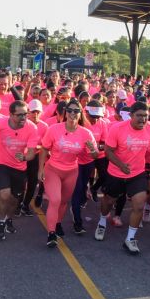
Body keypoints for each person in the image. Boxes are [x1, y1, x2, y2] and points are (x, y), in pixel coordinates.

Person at [94, 102, 150, 255]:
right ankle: (102, 222)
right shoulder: (117, 128)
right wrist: (121, 165)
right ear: (130, 115)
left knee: (138, 205)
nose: (142, 119)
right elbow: (109, 151)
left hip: (137, 174)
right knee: (108, 201)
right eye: (139, 116)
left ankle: (130, 239)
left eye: (145, 116)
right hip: (116, 173)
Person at [38, 100, 98, 247]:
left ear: (80, 114)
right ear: (65, 113)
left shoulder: (86, 133)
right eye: (69, 110)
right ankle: (51, 233)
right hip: (53, 169)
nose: (72, 113)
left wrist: (92, 150)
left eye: (76, 111)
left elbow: (95, 156)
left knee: (64, 202)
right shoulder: (54, 129)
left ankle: (58, 223)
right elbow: (45, 149)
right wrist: (40, 169)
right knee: (55, 200)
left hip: (71, 171)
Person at [0, 100, 40, 240]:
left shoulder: (32, 128)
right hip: (1, 164)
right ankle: (1, 223)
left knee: (14, 200)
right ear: (10, 114)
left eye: (25, 114)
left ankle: (8, 219)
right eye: (19, 115)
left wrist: (24, 157)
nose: (23, 118)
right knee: (4, 194)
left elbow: (31, 153)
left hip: (19, 166)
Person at [70, 100, 109, 234]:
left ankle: (89, 191)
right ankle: (78, 222)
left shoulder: (102, 124)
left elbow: (103, 144)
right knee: (77, 191)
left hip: (90, 160)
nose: (95, 119)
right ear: (85, 113)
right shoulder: (77, 125)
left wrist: (93, 148)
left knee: (84, 190)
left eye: (98, 117)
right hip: (75, 163)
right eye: (93, 116)